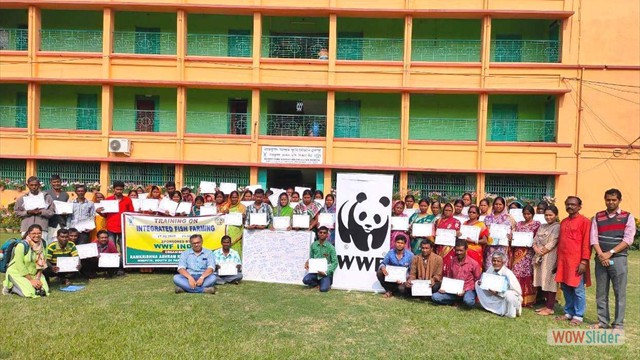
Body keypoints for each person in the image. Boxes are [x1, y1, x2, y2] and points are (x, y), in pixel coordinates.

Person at [590, 189, 635, 330]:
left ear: (619, 200)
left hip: (618, 259)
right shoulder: (598, 216)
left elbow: (628, 240)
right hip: (600, 258)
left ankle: (618, 324)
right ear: (605, 199)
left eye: (614, 200)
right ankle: (603, 321)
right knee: (601, 292)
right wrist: (601, 255)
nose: (611, 202)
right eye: (608, 199)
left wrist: (610, 253)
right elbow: (593, 238)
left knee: (619, 292)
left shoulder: (627, 217)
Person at [555, 196, 591, 326]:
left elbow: (587, 243)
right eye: (567, 204)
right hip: (564, 261)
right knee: (565, 287)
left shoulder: (585, 222)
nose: (570, 207)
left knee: (577, 289)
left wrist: (584, 262)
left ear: (579, 206)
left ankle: (578, 315)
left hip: (577, 262)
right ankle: (568, 312)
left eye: (573, 204)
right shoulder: (563, 222)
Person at [97, 181, 134, 276]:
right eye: (117, 189)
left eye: (121, 189)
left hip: (123, 228)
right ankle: (110, 268)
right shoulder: (108, 200)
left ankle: (121, 268)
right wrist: (99, 212)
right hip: (111, 228)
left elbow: (131, 214)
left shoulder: (128, 200)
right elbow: (105, 215)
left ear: (123, 189)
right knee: (110, 248)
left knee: (123, 249)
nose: (119, 191)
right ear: (114, 189)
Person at [2, 224, 50, 297]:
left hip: (34, 273)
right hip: (18, 272)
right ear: (28, 233)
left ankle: (24, 285)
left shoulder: (44, 243)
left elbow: (43, 261)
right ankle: (11, 286)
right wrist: (31, 280)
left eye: (39, 233)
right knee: (29, 293)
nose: (37, 235)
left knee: (45, 291)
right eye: (34, 233)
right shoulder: (22, 245)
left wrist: (37, 278)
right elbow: (19, 265)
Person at [431, 239, 482, 308]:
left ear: (466, 250)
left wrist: (466, 289)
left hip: (467, 289)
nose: (458, 252)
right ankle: (456, 301)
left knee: (468, 301)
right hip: (453, 290)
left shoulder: (474, 264)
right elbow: (449, 277)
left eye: (461, 250)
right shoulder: (452, 261)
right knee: (435, 297)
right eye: (457, 250)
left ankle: (461, 300)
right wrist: (444, 287)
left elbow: (478, 281)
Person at [509, 204, 540, 307]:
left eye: (528, 214)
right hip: (518, 251)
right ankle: (517, 296)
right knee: (516, 273)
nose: (526, 216)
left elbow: (537, 238)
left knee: (527, 274)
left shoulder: (536, 224)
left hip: (529, 252)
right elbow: (514, 236)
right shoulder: (518, 224)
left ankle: (528, 300)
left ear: (533, 214)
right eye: (525, 214)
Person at [476, 251, 522, 318]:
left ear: (503, 263)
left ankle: (512, 312)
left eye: (498, 261)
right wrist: (482, 283)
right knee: (477, 284)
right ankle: (490, 307)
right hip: (493, 293)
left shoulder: (508, 273)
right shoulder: (491, 268)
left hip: (505, 296)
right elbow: (485, 280)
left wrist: (499, 292)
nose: (496, 263)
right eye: (494, 261)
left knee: (510, 295)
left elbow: (517, 291)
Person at [532, 205, 560, 316]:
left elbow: (553, 243)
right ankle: (546, 304)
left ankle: (550, 307)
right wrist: (536, 248)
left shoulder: (557, 227)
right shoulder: (542, 226)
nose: (548, 217)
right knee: (542, 279)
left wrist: (541, 251)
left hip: (550, 257)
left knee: (550, 281)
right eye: (546, 215)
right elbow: (535, 240)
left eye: (550, 215)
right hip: (539, 256)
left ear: (556, 215)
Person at [483, 196, 515, 271]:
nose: (498, 206)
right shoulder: (488, 217)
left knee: (501, 269)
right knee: (490, 267)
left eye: (500, 204)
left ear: (504, 205)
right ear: (493, 205)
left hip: (502, 248)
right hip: (490, 248)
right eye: (496, 204)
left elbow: (513, 229)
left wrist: (510, 236)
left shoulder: (508, 217)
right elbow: (484, 230)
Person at [303, 227, 338, 292]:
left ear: (327, 235)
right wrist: (307, 262)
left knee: (323, 289)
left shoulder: (331, 247)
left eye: (324, 233)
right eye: (320, 232)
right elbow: (311, 258)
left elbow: (335, 262)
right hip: (315, 272)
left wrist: (326, 272)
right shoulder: (314, 245)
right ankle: (317, 284)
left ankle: (325, 283)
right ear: (318, 234)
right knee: (305, 280)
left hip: (325, 273)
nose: (322, 234)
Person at [433, 203, 461, 273]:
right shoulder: (438, 221)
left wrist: (457, 234)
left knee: (449, 265)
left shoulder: (456, 222)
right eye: (446, 210)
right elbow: (434, 233)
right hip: (439, 247)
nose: (447, 212)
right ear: (443, 210)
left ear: (452, 211)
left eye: (449, 210)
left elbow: (458, 234)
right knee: (439, 265)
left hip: (450, 248)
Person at [45, 174, 70, 242]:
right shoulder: (46, 194)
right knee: (50, 242)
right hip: (50, 223)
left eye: (58, 182)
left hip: (62, 222)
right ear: (51, 183)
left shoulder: (65, 195)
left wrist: (67, 212)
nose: (56, 184)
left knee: (62, 242)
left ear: (61, 182)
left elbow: (68, 208)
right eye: (54, 182)